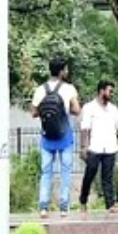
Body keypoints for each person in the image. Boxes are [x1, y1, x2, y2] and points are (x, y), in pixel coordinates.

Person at [29, 57, 81, 217]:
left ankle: (43, 207)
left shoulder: (40, 89)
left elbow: (34, 112)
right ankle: (64, 207)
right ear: (61, 71)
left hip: (47, 136)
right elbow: (76, 109)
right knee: (65, 170)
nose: (67, 72)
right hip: (64, 135)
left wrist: (47, 112)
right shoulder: (69, 89)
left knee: (46, 172)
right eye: (65, 69)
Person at [78, 79, 118, 214]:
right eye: (109, 91)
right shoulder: (89, 108)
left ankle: (110, 204)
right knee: (89, 175)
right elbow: (84, 128)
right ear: (101, 91)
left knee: (107, 177)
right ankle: (83, 200)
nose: (111, 94)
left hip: (110, 147)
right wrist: (83, 147)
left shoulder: (113, 109)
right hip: (95, 147)